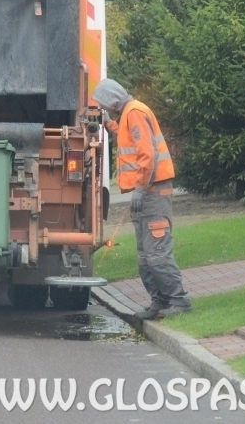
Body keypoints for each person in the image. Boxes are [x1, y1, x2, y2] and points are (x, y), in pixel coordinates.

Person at [92, 79, 192, 320]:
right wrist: (109, 125)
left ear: (112, 100)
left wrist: (140, 188)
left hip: (152, 191)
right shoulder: (129, 113)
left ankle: (179, 301)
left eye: (104, 104)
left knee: (156, 254)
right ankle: (160, 302)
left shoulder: (135, 113)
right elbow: (130, 138)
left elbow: (147, 155)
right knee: (146, 256)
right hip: (148, 191)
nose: (104, 107)